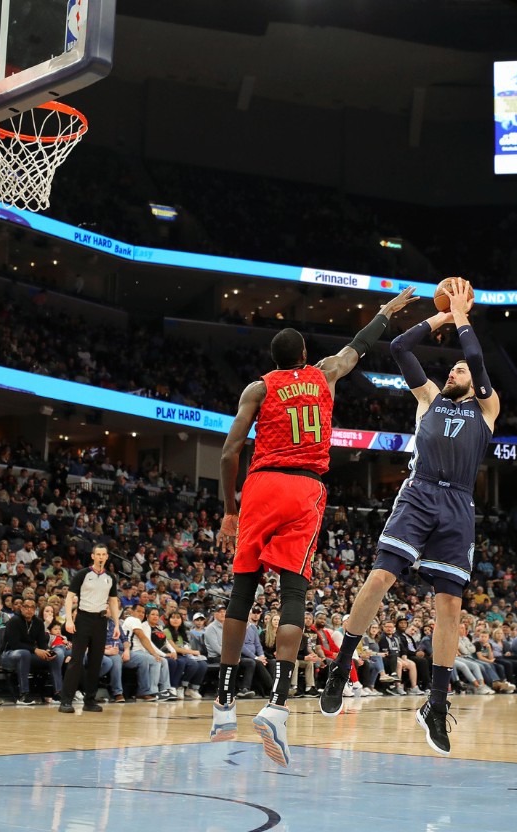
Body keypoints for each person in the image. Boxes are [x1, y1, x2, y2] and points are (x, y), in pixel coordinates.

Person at [211, 286, 418, 765]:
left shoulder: (258, 388)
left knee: (242, 592)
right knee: (293, 595)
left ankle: (223, 705)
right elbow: (360, 346)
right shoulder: (324, 375)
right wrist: (387, 310)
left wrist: (228, 508)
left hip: (261, 486)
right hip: (304, 488)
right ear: (304, 355)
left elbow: (228, 452)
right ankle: (278, 707)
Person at [322, 278, 499, 757]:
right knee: (380, 577)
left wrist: (462, 319)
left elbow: (478, 362)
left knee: (449, 608)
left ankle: (436, 704)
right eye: (454, 368)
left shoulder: (487, 407)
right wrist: (440, 317)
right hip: (419, 494)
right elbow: (400, 346)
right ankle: (341, 664)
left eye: (461, 368)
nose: (457, 370)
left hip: (458, 505)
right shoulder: (428, 400)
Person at [57, 544, 121, 714]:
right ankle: (65, 701)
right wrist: (69, 620)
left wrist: (116, 624)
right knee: (76, 660)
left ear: (107, 557)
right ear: (93, 556)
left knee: (95, 661)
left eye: (103, 554)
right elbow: (70, 598)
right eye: (98, 554)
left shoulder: (111, 577)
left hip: (101, 620)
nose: (100, 557)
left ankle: (90, 700)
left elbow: (113, 602)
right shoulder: (83, 574)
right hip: (83, 618)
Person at [1, 598, 63, 705]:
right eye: (26, 607)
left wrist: (46, 651)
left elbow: (42, 643)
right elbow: (14, 644)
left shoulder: (38, 622)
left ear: (35, 609)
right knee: (24, 653)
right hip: (9, 654)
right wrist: (35, 650)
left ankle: (58, 693)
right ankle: (23, 695)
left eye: (32, 607)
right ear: (21, 608)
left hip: (29, 655)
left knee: (53, 657)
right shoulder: (13, 621)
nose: (29, 610)